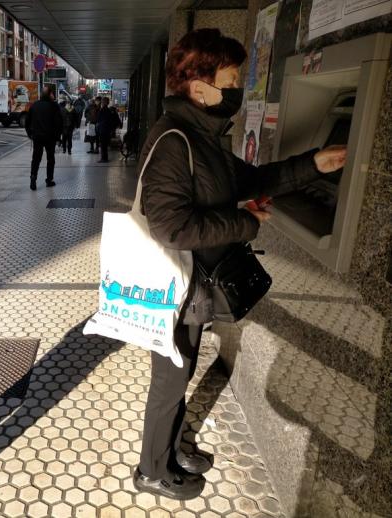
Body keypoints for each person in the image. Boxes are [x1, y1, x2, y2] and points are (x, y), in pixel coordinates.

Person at [132, 28, 346, 501]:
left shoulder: (202, 137)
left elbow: (252, 177)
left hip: (192, 282)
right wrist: (244, 224)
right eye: (230, 79)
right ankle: (152, 468)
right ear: (199, 85)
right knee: (170, 377)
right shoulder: (174, 140)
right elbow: (171, 227)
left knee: (181, 371)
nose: (237, 90)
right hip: (174, 285)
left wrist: (315, 164)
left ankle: (170, 447)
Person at [25, 86, 62, 191]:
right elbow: (59, 123)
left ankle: (33, 179)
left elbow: (27, 122)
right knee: (50, 159)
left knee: (36, 159)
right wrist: (58, 137)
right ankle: (49, 180)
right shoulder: (54, 106)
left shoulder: (34, 106)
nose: (53, 96)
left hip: (37, 137)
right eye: (52, 94)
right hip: (50, 138)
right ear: (50, 94)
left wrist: (30, 134)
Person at [96, 97, 121, 163]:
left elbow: (98, 119)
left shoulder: (103, 110)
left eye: (102, 101)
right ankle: (104, 158)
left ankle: (104, 158)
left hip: (103, 129)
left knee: (103, 145)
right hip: (107, 130)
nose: (101, 102)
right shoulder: (108, 110)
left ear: (104, 102)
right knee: (104, 144)